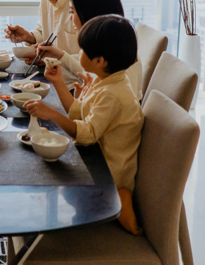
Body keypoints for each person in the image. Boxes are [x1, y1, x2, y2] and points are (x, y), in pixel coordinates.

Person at [25, 15, 144, 234]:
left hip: (105, 174)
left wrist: (51, 114)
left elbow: (87, 134)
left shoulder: (114, 95)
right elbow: (78, 111)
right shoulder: (107, 81)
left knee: (37, 184)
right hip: (95, 160)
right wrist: (59, 82)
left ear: (100, 61)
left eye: (82, 50)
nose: (78, 54)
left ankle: (119, 200)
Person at [35, 0, 143, 100]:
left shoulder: (114, 51)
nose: (70, 18)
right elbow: (90, 70)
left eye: (72, 12)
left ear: (89, 12)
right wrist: (60, 55)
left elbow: (91, 77)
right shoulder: (111, 39)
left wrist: (59, 73)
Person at [5, 0, 80, 85]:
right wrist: (29, 36)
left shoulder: (82, 1)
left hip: (76, 86)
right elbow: (45, 31)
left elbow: (94, 62)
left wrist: (49, 59)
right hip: (50, 80)